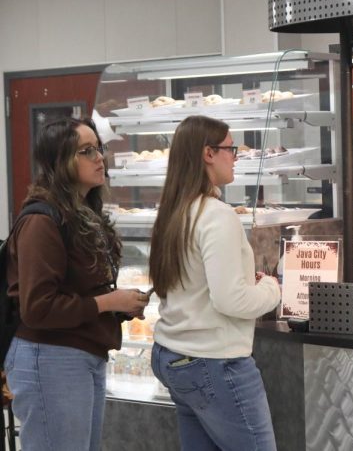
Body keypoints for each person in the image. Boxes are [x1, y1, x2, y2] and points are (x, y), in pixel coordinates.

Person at [5, 117, 149, 451]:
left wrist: (121, 306)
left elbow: (84, 289)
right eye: (86, 151)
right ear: (60, 162)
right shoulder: (42, 221)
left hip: (81, 354)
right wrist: (110, 303)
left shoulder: (84, 213)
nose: (100, 157)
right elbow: (38, 309)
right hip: (50, 357)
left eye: (99, 148)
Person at [148, 116, 281, 450]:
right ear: (208, 153)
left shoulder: (174, 212)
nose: (234, 156)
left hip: (174, 357)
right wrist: (271, 288)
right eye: (230, 149)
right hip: (215, 364)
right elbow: (230, 300)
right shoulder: (218, 215)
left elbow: (196, 284)